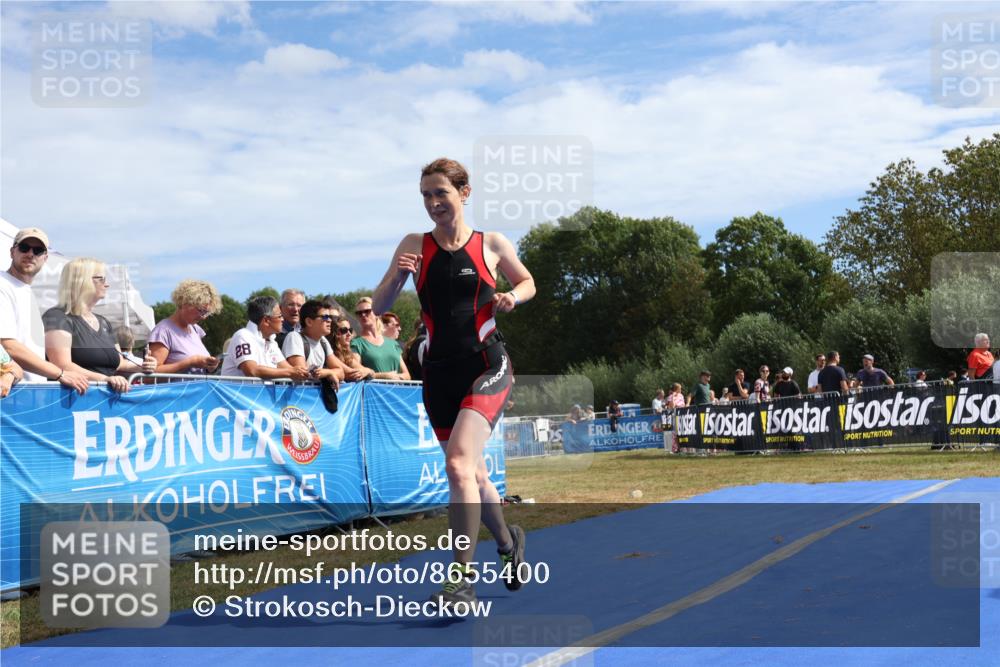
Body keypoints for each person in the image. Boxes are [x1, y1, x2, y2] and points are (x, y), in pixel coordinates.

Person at [372, 157, 535, 608]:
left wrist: (511, 297)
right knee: (474, 475)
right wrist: (397, 274)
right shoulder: (413, 244)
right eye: (426, 195)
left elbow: (528, 282)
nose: (433, 202)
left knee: (459, 465)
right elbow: (383, 303)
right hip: (439, 374)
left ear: (464, 193)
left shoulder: (491, 243)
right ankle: (508, 543)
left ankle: (460, 578)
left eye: (441, 192)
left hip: (487, 365)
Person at [42, 257, 156, 393]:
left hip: (104, 401)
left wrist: (142, 366)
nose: (106, 284)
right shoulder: (57, 317)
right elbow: (61, 365)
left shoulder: (104, 322)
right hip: (75, 400)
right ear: (82, 282)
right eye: (101, 279)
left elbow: (120, 363)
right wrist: (104, 380)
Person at [0, 227, 89, 392]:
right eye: (24, 247)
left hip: (29, 393)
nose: (30, 254)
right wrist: (60, 373)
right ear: (12, 252)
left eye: (38, 250)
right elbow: (8, 345)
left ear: (45, 258)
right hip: (11, 395)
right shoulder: (2, 284)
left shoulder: (26, 291)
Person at [220, 295, 311, 380]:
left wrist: (305, 373)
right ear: (267, 320)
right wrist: (291, 372)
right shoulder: (243, 336)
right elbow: (252, 371)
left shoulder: (271, 341)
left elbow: (287, 368)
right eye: (280, 316)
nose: (283, 319)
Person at [148, 279, 223, 374]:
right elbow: (150, 376)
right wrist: (189, 363)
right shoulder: (163, 331)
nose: (203, 317)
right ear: (185, 303)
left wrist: (210, 367)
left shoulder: (195, 330)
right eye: (201, 310)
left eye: (207, 313)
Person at [281, 300, 345, 386]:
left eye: (330, 317)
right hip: (298, 397)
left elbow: (341, 373)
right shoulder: (294, 337)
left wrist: (328, 372)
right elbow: (302, 374)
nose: (330, 320)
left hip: (315, 397)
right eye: (325, 317)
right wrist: (329, 374)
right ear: (309, 322)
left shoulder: (323, 341)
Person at [351, 296, 411, 381]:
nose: (363, 315)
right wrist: (384, 376)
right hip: (373, 392)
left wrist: (397, 378)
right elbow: (357, 373)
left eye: (367, 311)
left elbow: (407, 375)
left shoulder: (393, 343)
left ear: (376, 313)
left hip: (396, 392)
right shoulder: (356, 344)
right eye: (359, 313)